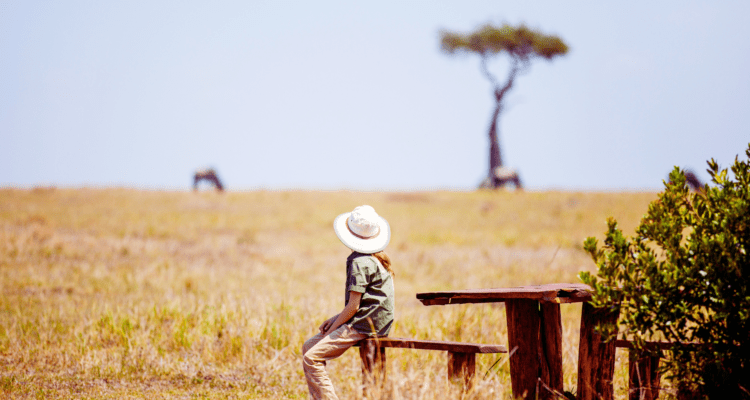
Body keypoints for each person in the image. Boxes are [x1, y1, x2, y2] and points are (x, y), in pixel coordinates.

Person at [302, 205, 395, 400]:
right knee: (308, 347)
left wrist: (333, 327)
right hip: (374, 322)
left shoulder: (359, 263)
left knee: (311, 357)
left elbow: (354, 307)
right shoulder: (375, 258)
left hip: (363, 326)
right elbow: (361, 304)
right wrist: (335, 319)